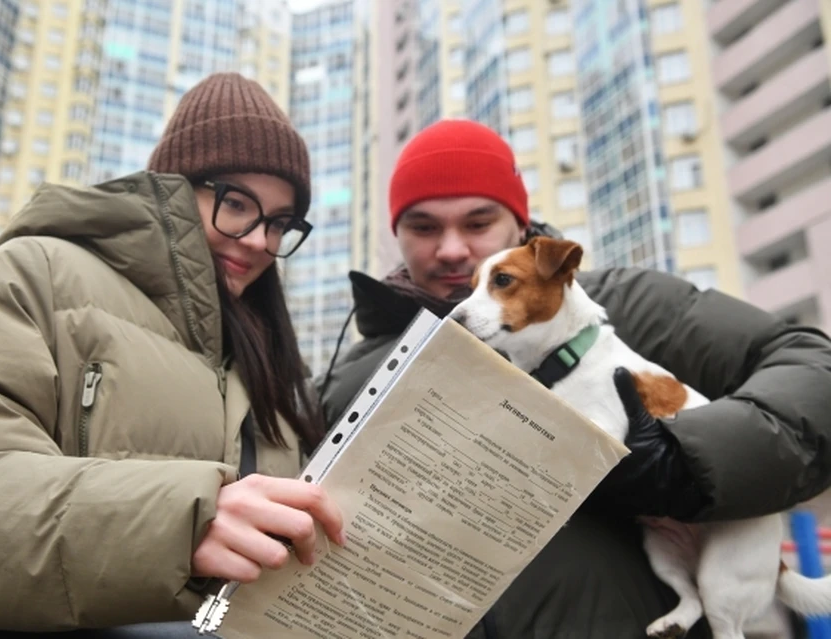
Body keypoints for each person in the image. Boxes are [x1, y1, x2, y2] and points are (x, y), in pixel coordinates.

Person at [0, 73, 346, 638]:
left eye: (280, 223)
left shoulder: (275, 375)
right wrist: (181, 524)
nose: (256, 240)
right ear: (172, 186)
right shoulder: (37, 274)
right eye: (236, 202)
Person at [316, 118, 831, 639]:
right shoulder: (347, 380)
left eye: (477, 222)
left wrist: (685, 465)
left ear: (518, 223)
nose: (451, 249)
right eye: (424, 226)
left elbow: (813, 369)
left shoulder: (636, 305)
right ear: (395, 234)